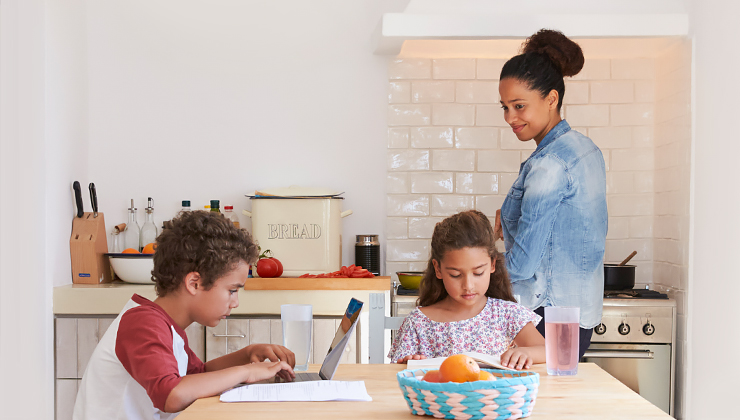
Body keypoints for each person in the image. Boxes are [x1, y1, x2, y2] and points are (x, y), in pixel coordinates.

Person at [73, 211, 296, 420]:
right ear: (194, 283)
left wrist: (248, 354)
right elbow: (172, 394)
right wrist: (246, 372)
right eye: (232, 290)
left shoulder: (164, 324)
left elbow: (198, 375)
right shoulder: (142, 323)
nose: (235, 302)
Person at [495, 29, 608, 360]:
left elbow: (525, 263)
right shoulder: (585, 149)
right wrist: (513, 215)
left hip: (545, 313)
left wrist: (475, 271)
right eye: (504, 107)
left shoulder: (549, 165)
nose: (510, 118)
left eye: (519, 106)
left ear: (552, 98)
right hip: (578, 313)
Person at [388, 210, 545, 370]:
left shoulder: (507, 314)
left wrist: (526, 353)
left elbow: (547, 351)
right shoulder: (418, 322)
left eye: (478, 273)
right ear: (438, 269)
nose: (468, 285)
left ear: (492, 264)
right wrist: (407, 364)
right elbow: (394, 374)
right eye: (455, 275)